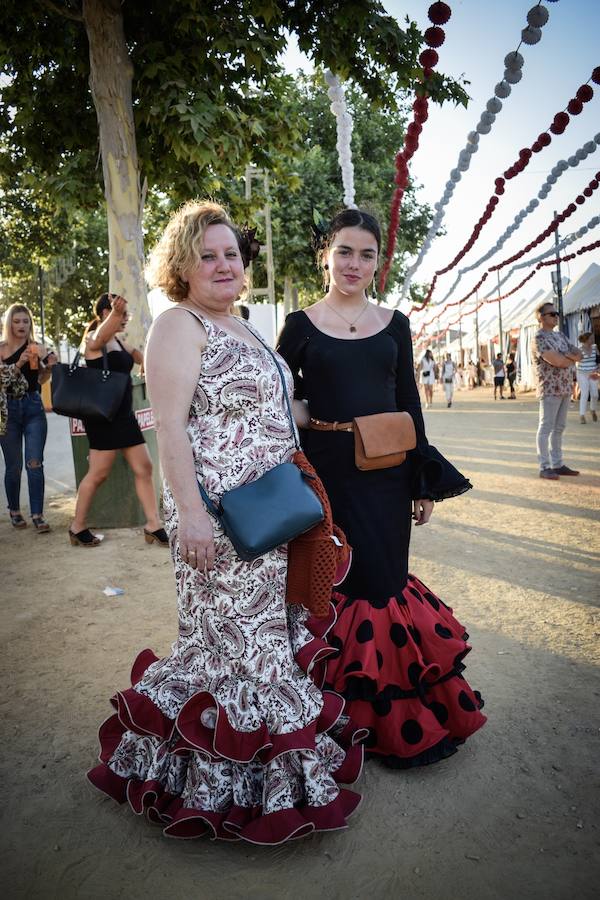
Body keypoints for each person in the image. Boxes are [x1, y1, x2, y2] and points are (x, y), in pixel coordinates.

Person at [86, 201, 363, 844]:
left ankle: (268, 779)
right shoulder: (177, 326)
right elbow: (172, 431)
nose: (222, 265)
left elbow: (272, 413)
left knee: (263, 644)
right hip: (220, 522)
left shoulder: (245, 326)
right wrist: (191, 520)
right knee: (231, 652)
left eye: (231, 254)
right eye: (206, 255)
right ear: (181, 265)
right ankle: (218, 789)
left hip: (271, 516)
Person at [277, 208, 485, 769]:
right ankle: (331, 715)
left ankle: (389, 721)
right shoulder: (298, 326)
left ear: (378, 263)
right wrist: (298, 412)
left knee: (383, 578)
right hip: (324, 475)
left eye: (366, 255)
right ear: (327, 254)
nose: (354, 264)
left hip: (388, 473)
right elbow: (276, 396)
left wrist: (422, 479)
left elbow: (409, 405)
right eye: (345, 251)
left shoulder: (395, 323)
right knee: (335, 577)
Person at [69, 293, 167, 547]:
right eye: (121, 315)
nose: (124, 319)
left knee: (144, 467)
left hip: (124, 415)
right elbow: (99, 337)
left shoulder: (119, 342)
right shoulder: (93, 340)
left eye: (125, 315)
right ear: (105, 314)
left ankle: (153, 524)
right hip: (103, 418)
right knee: (98, 473)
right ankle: (77, 526)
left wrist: (146, 363)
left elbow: (137, 355)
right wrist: (115, 312)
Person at [0, 303, 57, 532]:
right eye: (17, 321)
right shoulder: (2, 350)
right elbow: (2, 381)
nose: (22, 325)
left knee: (35, 463)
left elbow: (40, 380)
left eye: (25, 321)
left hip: (33, 406)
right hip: (8, 409)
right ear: (9, 324)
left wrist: (49, 366)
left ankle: (38, 515)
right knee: (13, 467)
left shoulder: (36, 347)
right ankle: (14, 510)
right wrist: (20, 362)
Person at [532, 302, 582, 480]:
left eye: (556, 313)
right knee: (546, 427)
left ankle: (557, 463)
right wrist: (569, 357)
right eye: (552, 314)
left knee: (559, 427)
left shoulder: (560, 335)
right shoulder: (539, 338)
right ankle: (544, 466)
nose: (556, 316)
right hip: (550, 388)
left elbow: (579, 354)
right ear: (541, 317)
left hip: (565, 386)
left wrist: (566, 356)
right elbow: (557, 361)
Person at [576, 331, 599, 424]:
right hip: (582, 373)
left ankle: (592, 410)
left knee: (595, 395)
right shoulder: (579, 349)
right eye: (591, 338)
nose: (593, 340)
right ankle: (582, 415)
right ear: (587, 340)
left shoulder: (595, 347)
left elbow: (598, 359)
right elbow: (576, 361)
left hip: (593, 373)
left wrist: (598, 369)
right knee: (585, 393)